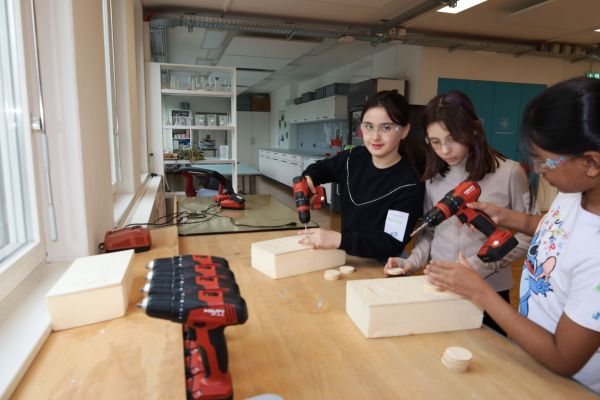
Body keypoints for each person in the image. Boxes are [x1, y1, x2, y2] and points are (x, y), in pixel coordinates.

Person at [424, 77, 600, 393]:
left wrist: (480, 292)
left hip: (573, 386)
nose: (537, 170)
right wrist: (508, 217)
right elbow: (556, 230)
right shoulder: (575, 193)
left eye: (544, 161)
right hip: (532, 357)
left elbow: (564, 358)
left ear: (591, 163)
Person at [383, 90, 532, 335]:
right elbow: (429, 233)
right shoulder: (434, 177)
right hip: (440, 285)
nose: (445, 150)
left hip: (490, 291)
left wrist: (478, 266)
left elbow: (528, 235)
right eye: (435, 142)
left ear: (473, 130)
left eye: (452, 139)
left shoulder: (510, 173)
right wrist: (411, 262)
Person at [298, 90, 425, 259]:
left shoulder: (409, 184)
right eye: (369, 126)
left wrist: (338, 240)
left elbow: (390, 243)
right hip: (349, 254)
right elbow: (322, 168)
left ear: (404, 130)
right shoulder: (353, 157)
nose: (375, 136)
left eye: (386, 127)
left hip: (384, 263)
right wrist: (309, 178)